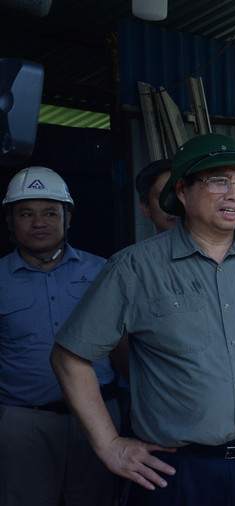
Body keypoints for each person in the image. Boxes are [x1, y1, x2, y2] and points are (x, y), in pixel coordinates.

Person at [50, 133, 235, 506]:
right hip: (178, 474)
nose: (234, 194)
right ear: (182, 191)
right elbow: (69, 356)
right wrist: (108, 443)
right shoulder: (134, 269)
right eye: (218, 180)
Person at [0, 166, 118, 506]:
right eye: (26, 213)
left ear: (68, 219)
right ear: (9, 221)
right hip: (24, 423)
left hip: (99, 418)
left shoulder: (104, 271)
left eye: (50, 212)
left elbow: (128, 344)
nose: (39, 222)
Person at [135, 159, 179, 233]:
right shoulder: (147, 245)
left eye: (182, 194)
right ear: (146, 208)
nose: (176, 204)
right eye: (165, 196)